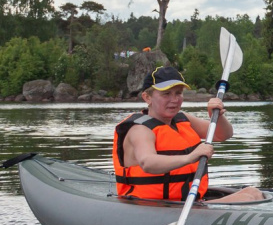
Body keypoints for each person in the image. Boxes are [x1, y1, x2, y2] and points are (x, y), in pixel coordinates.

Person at [112, 65, 265, 204]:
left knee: (253, 192)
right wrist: (190, 157)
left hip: (186, 202)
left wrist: (217, 116)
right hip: (149, 206)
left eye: (178, 93)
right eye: (166, 94)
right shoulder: (140, 129)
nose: (174, 100)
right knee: (249, 196)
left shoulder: (183, 119)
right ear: (147, 97)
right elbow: (148, 163)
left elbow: (223, 134)